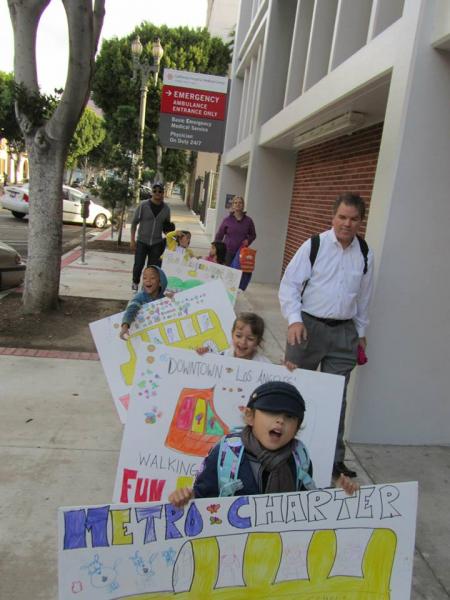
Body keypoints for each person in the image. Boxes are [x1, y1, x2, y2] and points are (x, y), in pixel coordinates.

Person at [278, 193, 374, 479]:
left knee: (336, 398)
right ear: (333, 217)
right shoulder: (315, 245)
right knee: (294, 391)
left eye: (353, 219)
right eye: (342, 217)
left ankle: (333, 459)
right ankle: (284, 451)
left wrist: (361, 333)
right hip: (307, 328)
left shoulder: (365, 252)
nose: (347, 223)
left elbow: (364, 298)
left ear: (360, 221)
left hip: (344, 333)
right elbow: (290, 285)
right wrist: (294, 320)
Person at [169, 381, 358, 506]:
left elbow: (306, 502)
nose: (280, 421)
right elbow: (202, 499)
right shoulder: (226, 454)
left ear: (298, 427)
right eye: (271, 412)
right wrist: (185, 499)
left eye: (290, 417)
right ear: (250, 416)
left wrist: (337, 495)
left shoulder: (299, 457)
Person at [130, 183, 171, 291]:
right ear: (151, 192)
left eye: (160, 191)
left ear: (163, 193)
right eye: (155, 191)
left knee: (153, 269)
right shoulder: (143, 205)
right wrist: (132, 240)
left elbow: (167, 228)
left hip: (156, 243)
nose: (157, 193)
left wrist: (172, 237)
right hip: (142, 241)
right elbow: (134, 223)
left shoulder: (166, 209)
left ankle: (147, 290)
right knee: (138, 265)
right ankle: (135, 282)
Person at [197, 313, 270, 363]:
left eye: (250, 339)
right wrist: (203, 354)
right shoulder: (221, 355)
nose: (243, 342)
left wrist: (280, 371)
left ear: (258, 342)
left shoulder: (264, 364)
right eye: (238, 336)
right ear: (232, 334)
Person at [120, 265, 168, 340]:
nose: (148, 280)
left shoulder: (164, 298)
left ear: (160, 282)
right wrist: (125, 326)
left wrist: (173, 299)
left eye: (152, 278)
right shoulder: (139, 297)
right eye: (144, 278)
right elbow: (131, 309)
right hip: (143, 336)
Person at [215, 196, 256, 266]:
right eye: (235, 203)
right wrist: (216, 249)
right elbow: (219, 236)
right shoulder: (227, 220)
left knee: (238, 274)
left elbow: (253, 235)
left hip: (242, 252)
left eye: (240, 203)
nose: (238, 204)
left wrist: (248, 241)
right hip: (228, 252)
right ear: (233, 206)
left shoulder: (248, 221)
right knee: (227, 273)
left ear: (243, 205)